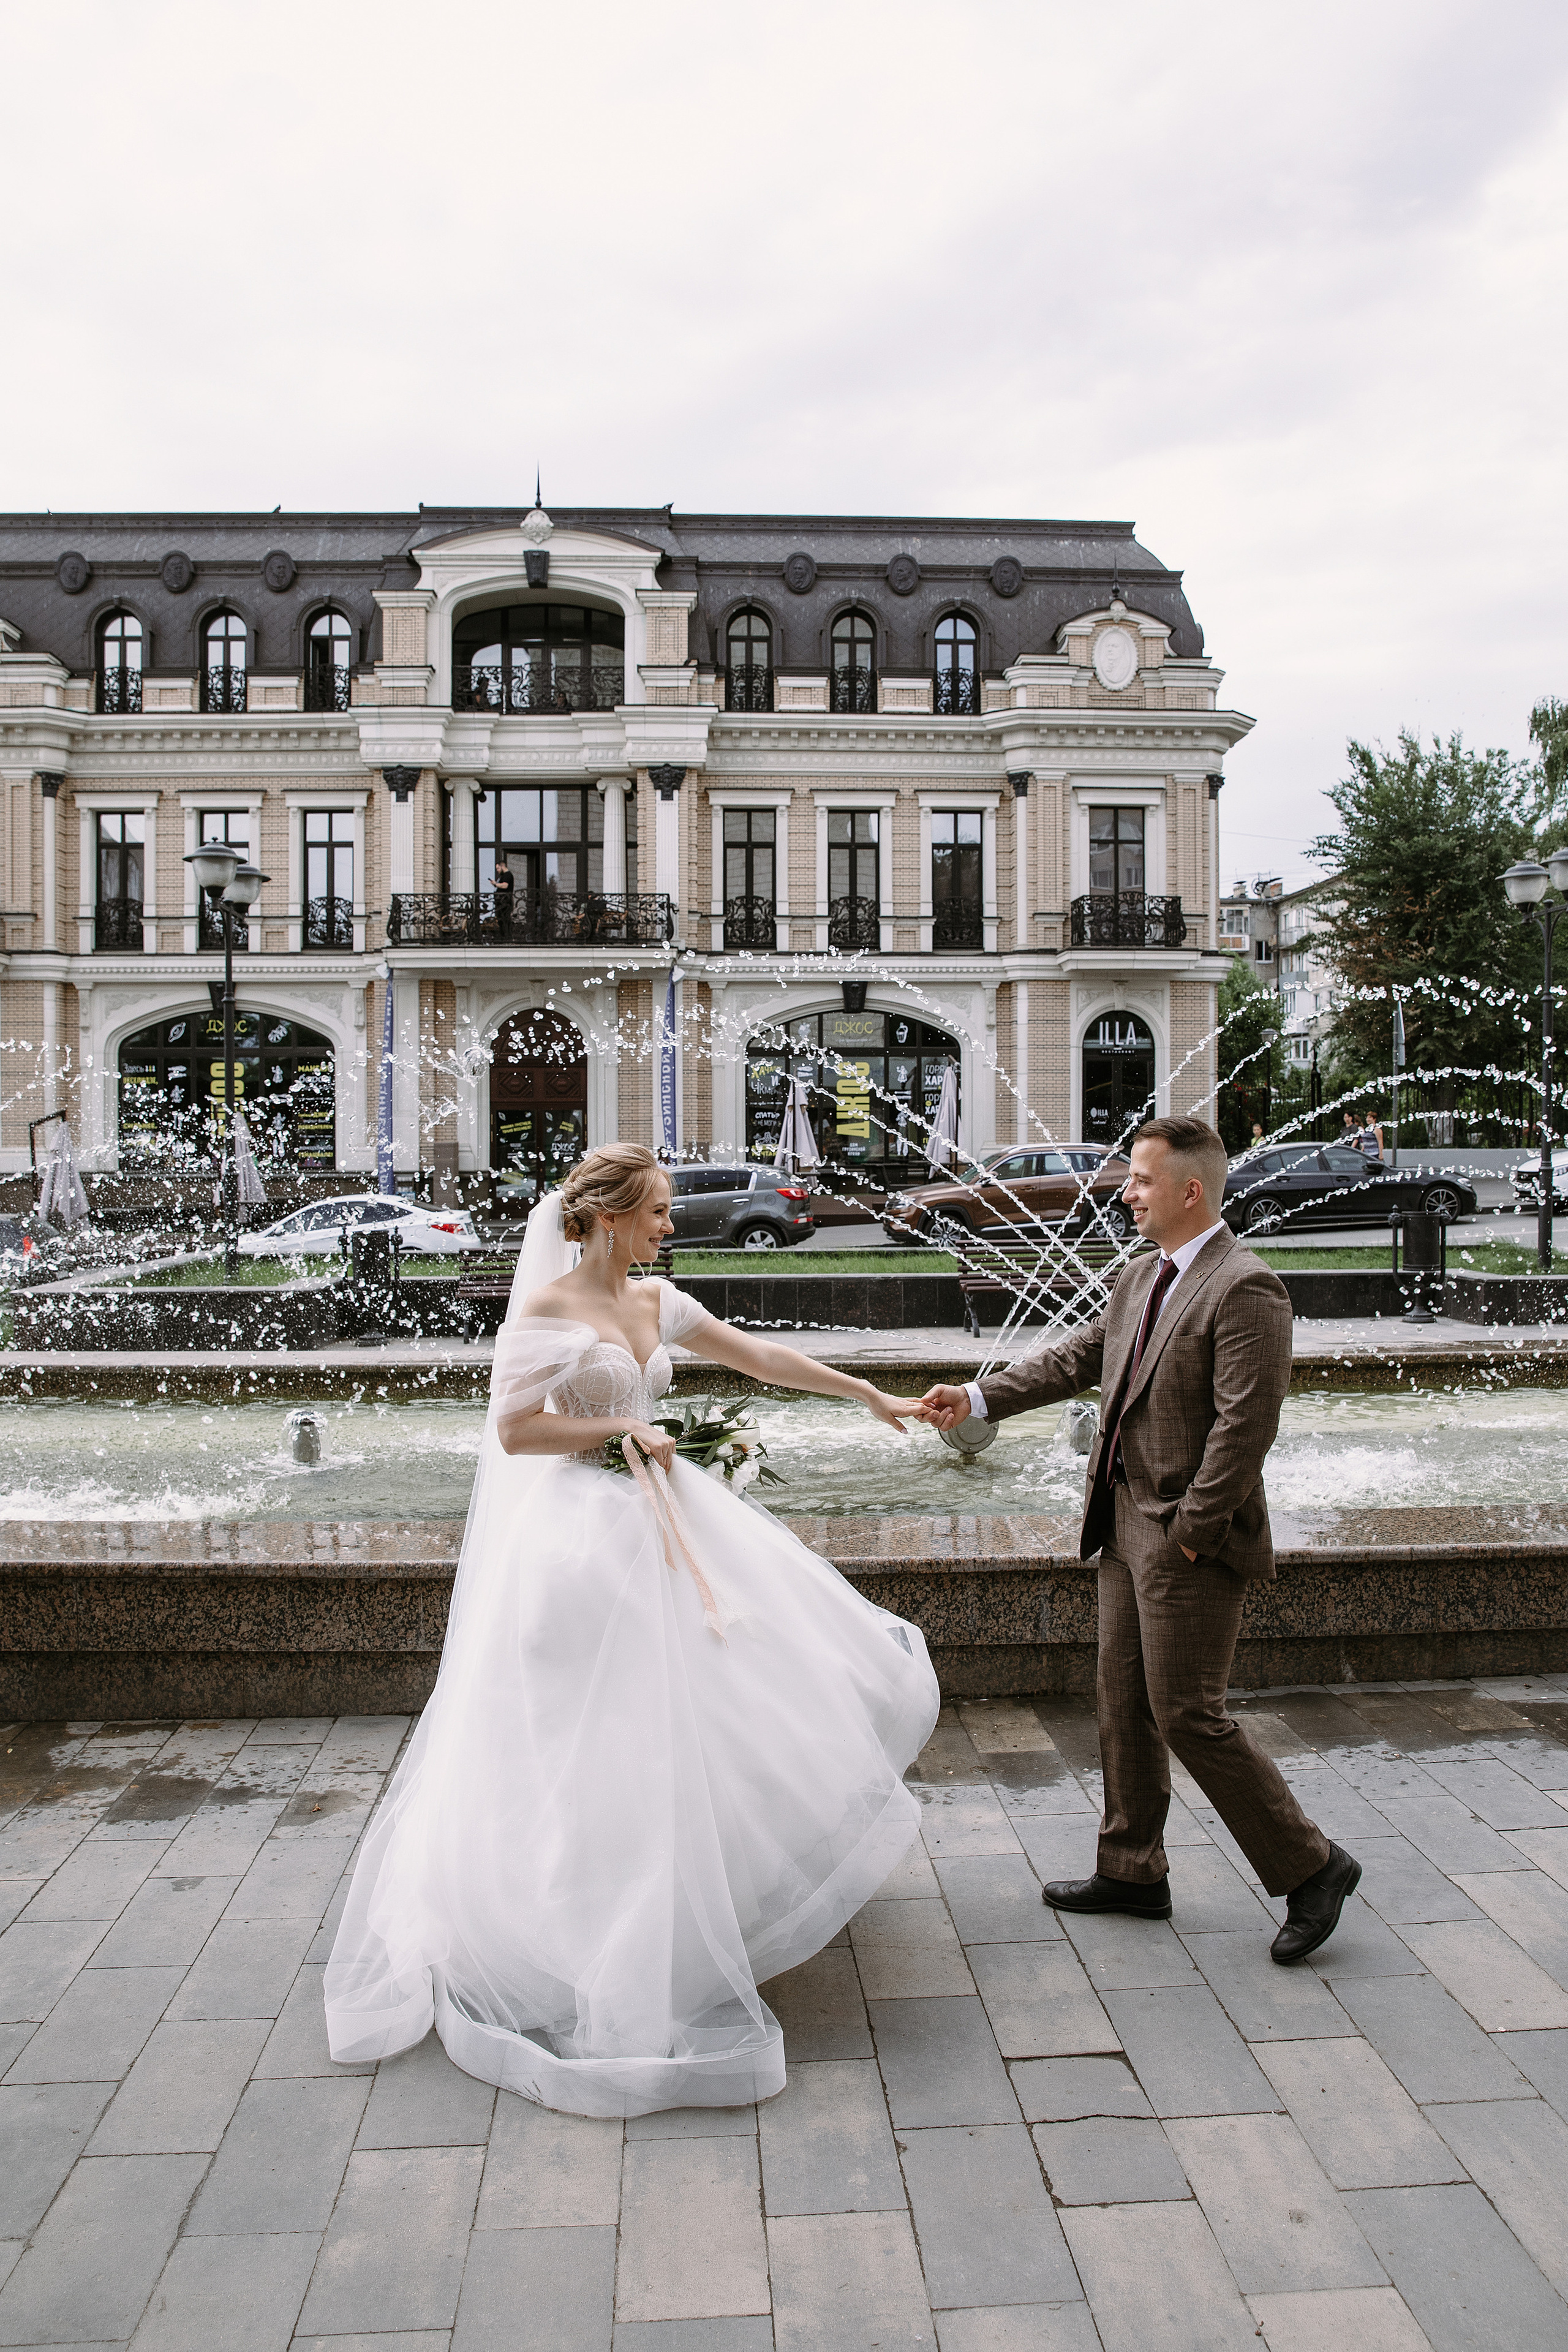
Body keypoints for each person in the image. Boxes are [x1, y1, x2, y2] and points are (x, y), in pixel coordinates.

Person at [324, 1142, 938, 2117]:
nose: (667, 1224)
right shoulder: (547, 1312)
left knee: (706, 1713)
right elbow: (518, 1431)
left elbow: (758, 1355)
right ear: (607, 1218)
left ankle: (700, 1911)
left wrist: (864, 1393)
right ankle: (585, 1917)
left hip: (668, 1518)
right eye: (654, 1211)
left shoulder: (655, 1302)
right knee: (598, 1735)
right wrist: (617, 1433)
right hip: (581, 1543)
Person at [918, 1115, 1360, 1967]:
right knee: (1121, 1700)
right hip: (1122, 1525)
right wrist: (974, 1399)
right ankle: (1130, 1870)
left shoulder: (1246, 1288)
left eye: (1141, 1180)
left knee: (1188, 1714)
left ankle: (1313, 1865)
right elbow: (1073, 1359)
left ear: (1189, 1191)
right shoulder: (1139, 1278)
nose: (1125, 1191)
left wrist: (1192, 1534)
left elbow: (1244, 1429)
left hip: (1186, 1537)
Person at [491, 853, 515, 939]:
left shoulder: (508, 875)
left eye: (498, 868)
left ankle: (506, 937)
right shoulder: (503, 876)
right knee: (501, 919)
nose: (497, 870)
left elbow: (505, 886)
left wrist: (496, 884)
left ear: (503, 866)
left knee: (505, 919)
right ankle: (503, 936)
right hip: (501, 902)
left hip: (505, 902)